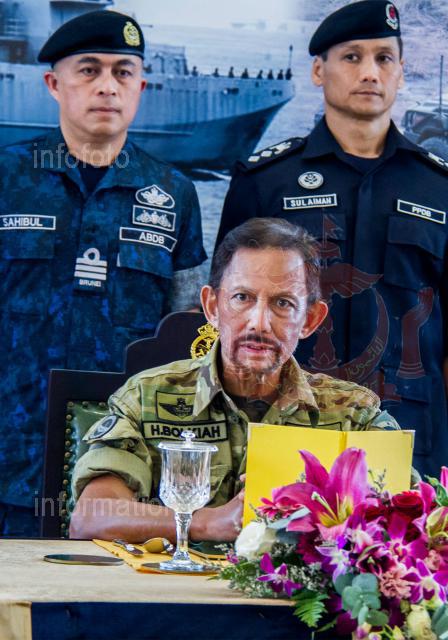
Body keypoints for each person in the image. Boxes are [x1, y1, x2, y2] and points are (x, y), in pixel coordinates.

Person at [214, 0, 448, 478]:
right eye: (352, 57)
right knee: (271, 530)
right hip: (282, 423)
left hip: (410, 426)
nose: (370, 72)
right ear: (319, 71)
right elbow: (225, 317)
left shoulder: (438, 188)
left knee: (403, 531)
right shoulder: (265, 182)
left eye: (384, 58)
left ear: (401, 72)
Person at [0, 10, 207, 536]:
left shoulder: (174, 195)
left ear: (141, 86)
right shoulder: (7, 177)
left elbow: (187, 340)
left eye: (123, 72)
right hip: (10, 448)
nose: (107, 86)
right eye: (89, 70)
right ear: (54, 84)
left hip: (121, 466)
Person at [69, 218, 399, 543]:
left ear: (310, 320)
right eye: (242, 298)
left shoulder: (353, 416)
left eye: (283, 303)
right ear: (212, 306)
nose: (259, 323)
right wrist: (201, 523)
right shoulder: (146, 398)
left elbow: (406, 523)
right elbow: (92, 516)